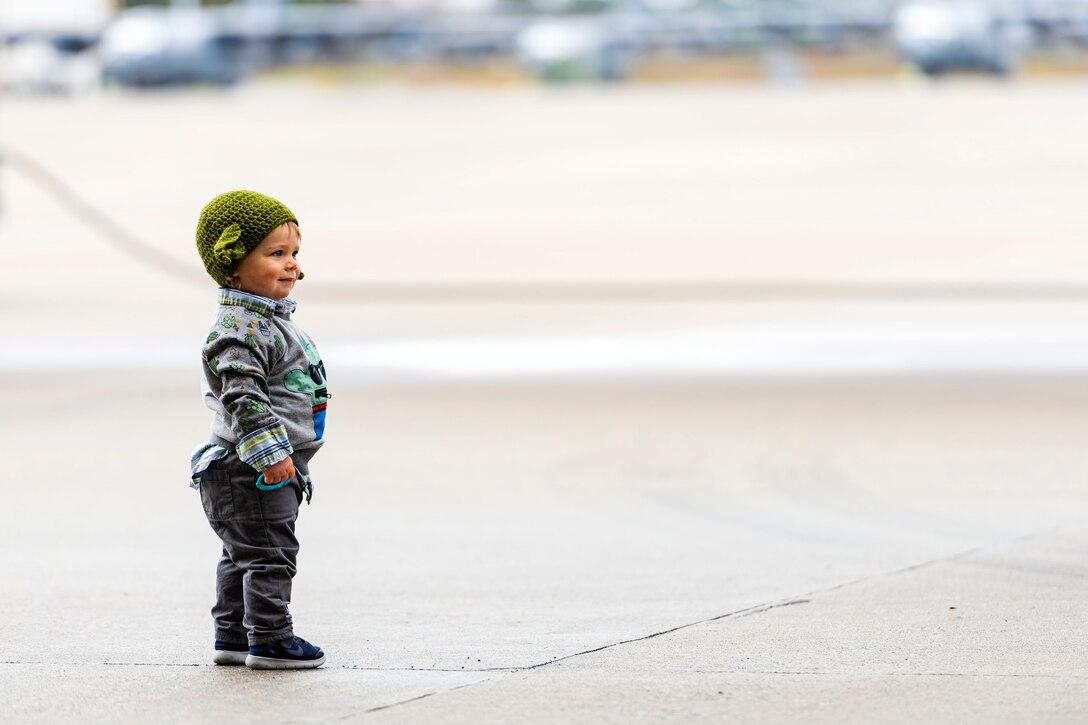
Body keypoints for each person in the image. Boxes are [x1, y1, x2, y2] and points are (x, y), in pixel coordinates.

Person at [189, 190, 330, 670]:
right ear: (232, 264)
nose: (291, 265)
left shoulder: (265, 321)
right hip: (249, 466)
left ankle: (232, 635)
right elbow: (242, 397)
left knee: (242, 554)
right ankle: (269, 638)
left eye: (294, 253)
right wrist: (273, 456)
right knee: (270, 555)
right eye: (275, 255)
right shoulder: (241, 328)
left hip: (246, 466)